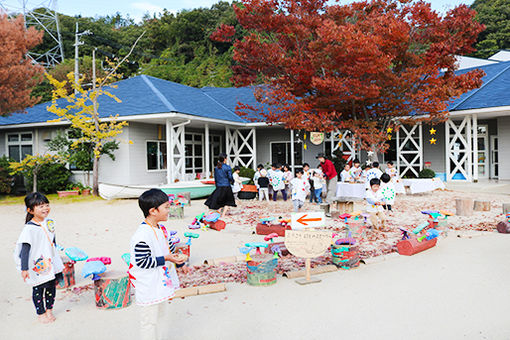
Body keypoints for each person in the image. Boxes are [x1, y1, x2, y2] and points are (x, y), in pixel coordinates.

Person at [130, 189, 187, 340]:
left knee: (160, 317)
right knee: (149, 321)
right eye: (166, 207)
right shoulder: (142, 235)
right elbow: (142, 261)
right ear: (153, 211)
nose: (169, 210)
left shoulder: (161, 229)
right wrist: (167, 258)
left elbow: (168, 249)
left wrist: (179, 262)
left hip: (160, 283)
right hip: (148, 285)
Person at [14, 192, 64, 323]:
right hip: (37, 263)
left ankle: (49, 310)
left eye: (46, 205)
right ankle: (40, 313)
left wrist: (56, 253)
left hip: (50, 261)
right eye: (40, 206)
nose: (45, 208)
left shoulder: (50, 222)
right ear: (30, 210)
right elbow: (25, 250)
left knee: (51, 287)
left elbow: (53, 239)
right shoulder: (29, 229)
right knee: (38, 288)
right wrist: (24, 269)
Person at [205, 153, 236, 218]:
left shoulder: (216, 168)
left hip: (219, 186)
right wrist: (233, 182)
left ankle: (217, 212)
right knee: (228, 201)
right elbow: (230, 177)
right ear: (225, 159)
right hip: (226, 186)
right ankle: (223, 215)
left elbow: (216, 178)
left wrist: (217, 186)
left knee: (217, 199)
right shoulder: (227, 167)